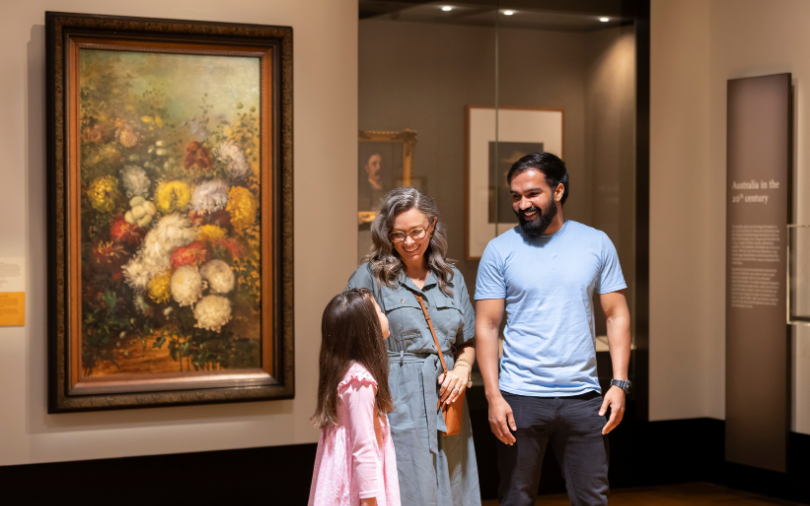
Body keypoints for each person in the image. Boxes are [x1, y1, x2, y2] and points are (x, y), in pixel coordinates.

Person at [475, 152, 632, 506]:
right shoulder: (499, 250)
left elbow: (616, 314)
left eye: (533, 194)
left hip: (584, 399)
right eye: (516, 196)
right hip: (520, 399)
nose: (523, 204)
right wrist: (493, 396)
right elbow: (486, 325)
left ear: (558, 191)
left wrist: (620, 383)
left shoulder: (596, 243)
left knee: (593, 499)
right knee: (515, 498)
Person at [346, 187, 481, 506]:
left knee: (454, 486)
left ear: (432, 225)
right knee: (407, 487)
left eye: (416, 231)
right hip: (396, 399)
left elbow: (467, 342)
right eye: (398, 234)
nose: (408, 242)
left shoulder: (451, 278)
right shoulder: (370, 277)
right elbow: (351, 348)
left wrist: (462, 370)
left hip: (448, 402)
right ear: (387, 233)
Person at [308, 288, 401, 506]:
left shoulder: (344, 373)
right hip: (356, 491)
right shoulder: (360, 382)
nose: (384, 314)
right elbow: (363, 447)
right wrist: (370, 501)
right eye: (379, 311)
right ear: (366, 328)